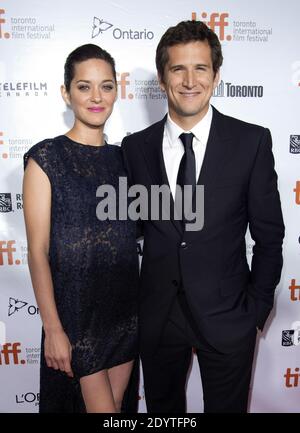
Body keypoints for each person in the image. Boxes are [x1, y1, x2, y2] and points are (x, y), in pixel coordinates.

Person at [121, 20, 284, 413]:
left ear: (216, 76)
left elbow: (269, 237)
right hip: (158, 316)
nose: (189, 80)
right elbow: (131, 226)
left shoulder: (251, 141)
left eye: (201, 68)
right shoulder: (134, 148)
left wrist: (255, 312)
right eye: (178, 69)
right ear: (162, 78)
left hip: (229, 316)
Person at [23, 44, 139, 413]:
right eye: (84, 86)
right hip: (76, 319)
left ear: (116, 92)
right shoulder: (46, 159)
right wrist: (53, 329)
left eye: (106, 86)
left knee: (117, 410)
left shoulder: (126, 160)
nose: (96, 97)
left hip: (125, 314)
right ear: (66, 92)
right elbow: (38, 251)